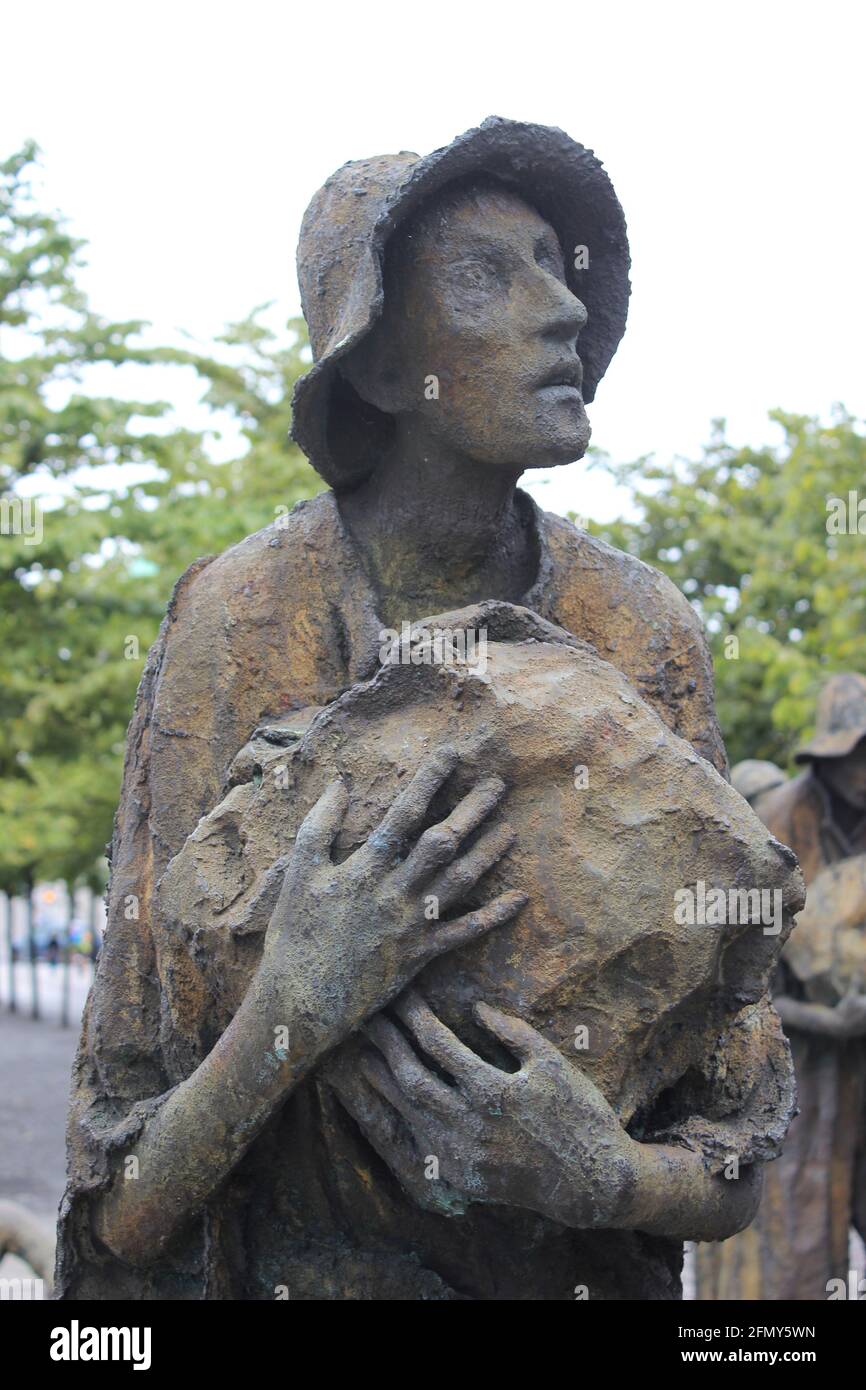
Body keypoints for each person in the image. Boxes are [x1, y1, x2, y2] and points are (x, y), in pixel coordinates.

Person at [57, 118, 794, 1301]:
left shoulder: (642, 632)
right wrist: (295, 1008)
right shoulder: (238, 619)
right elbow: (123, 1206)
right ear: (382, 365)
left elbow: (734, 1146)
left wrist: (598, 1176)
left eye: (558, 262)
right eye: (484, 274)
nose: (560, 306)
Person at [696, 673, 866, 1300]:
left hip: (859, 1063)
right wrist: (826, 1021)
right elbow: (730, 986)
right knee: (791, 1255)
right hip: (793, 1067)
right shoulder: (776, 823)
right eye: (856, 754)